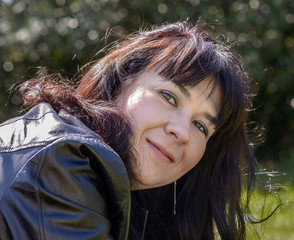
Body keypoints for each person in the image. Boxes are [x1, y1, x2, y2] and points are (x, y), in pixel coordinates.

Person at [0, 22, 259, 239]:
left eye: (201, 126)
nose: (181, 131)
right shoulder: (59, 162)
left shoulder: (131, 195)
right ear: (120, 81)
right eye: (169, 97)